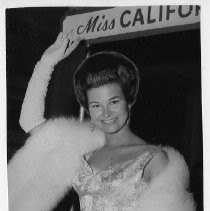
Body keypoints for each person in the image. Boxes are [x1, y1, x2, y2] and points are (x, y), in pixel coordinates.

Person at [8, 31, 195, 211]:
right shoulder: (82, 150)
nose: (106, 113)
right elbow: (30, 121)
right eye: (96, 105)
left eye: (113, 102)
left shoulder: (154, 160)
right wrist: (45, 63)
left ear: (129, 101)